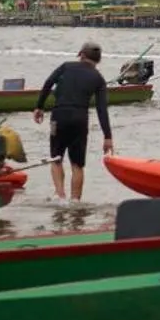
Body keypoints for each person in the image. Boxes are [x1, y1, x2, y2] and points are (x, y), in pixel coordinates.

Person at [33, 42, 114, 202]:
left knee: (56, 158)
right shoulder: (98, 78)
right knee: (77, 164)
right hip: (80, 119)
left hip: (59, 116)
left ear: (81, 55)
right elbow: (101, 109)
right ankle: (75, 200)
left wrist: (39, 107)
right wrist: (107, 137)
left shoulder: (66, 66)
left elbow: (48, 84)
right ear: (98, 60)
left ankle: (60, 194)